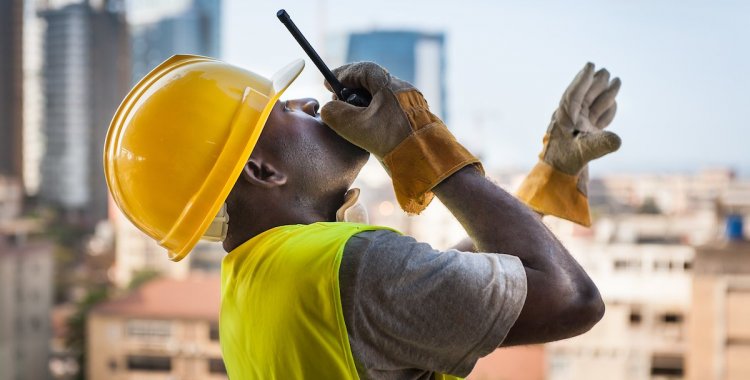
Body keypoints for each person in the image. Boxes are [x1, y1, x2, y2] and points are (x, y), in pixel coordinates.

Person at [105, 56, 621, 380]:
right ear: (262, 170)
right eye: (282, 111)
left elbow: (459, 278)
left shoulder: (258, 281)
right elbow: (572, 300)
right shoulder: (354, 269)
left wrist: (549, 177)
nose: (310, 101)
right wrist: (416, 142)